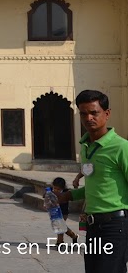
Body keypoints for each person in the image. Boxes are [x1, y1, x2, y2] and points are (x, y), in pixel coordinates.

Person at [58, 90, 128, 273]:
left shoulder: (121, 147)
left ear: (107, 113)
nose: (88, 118)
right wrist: (68, 195)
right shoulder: (85, 147)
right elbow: (95, 186)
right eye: (83, 113)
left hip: (115, 226)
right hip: (92, 226)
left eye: (94, 112)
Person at [51, 177, 78, 246]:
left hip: (63, 212)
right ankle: (73, 236)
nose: (56, 190)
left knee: (60, 226)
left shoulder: (66, 193)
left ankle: (60, 241)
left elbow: (73, 195)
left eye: (58, 189)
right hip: (55, 211)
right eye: (55, 188)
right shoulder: (51, 191)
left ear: (62, 188)